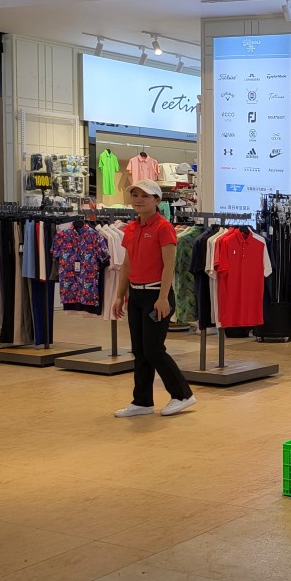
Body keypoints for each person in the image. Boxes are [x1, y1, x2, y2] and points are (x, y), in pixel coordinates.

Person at [113, 179, 196, 417]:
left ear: (157, 200)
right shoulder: (131, 228)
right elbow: (127, 264)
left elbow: (169, 266)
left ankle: (182, 394)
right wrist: (120, 295)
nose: (138, 200)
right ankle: (142, 401)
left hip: (156, 294)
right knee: (139, 351)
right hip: (136, 295)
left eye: (145, 196)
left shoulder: (163, 227)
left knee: (153, 349)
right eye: (135, 195)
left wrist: (162, 298)